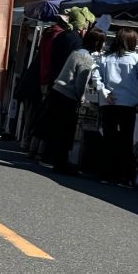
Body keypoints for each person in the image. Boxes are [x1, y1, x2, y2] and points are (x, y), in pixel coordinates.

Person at [94, 28, 138, 186]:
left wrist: (103, 91)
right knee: (126, 140)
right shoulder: (137, 59)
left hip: (108, 103)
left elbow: (96, 77)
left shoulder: (105, 58)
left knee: (109, 138)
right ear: (132, 42)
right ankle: (124, 176)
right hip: (127, 105)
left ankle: (106, 173)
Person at [41, 28, 107, 175]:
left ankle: (52, 159)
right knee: (65, 132)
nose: (103, 45)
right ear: (97, 42)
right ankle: (61, 164)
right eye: (103, 42)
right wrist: (80, 98)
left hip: (58, 91)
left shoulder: (77, 52)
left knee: (56, 129)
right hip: (67, 95)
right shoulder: (87, 58)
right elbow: (80, 83)